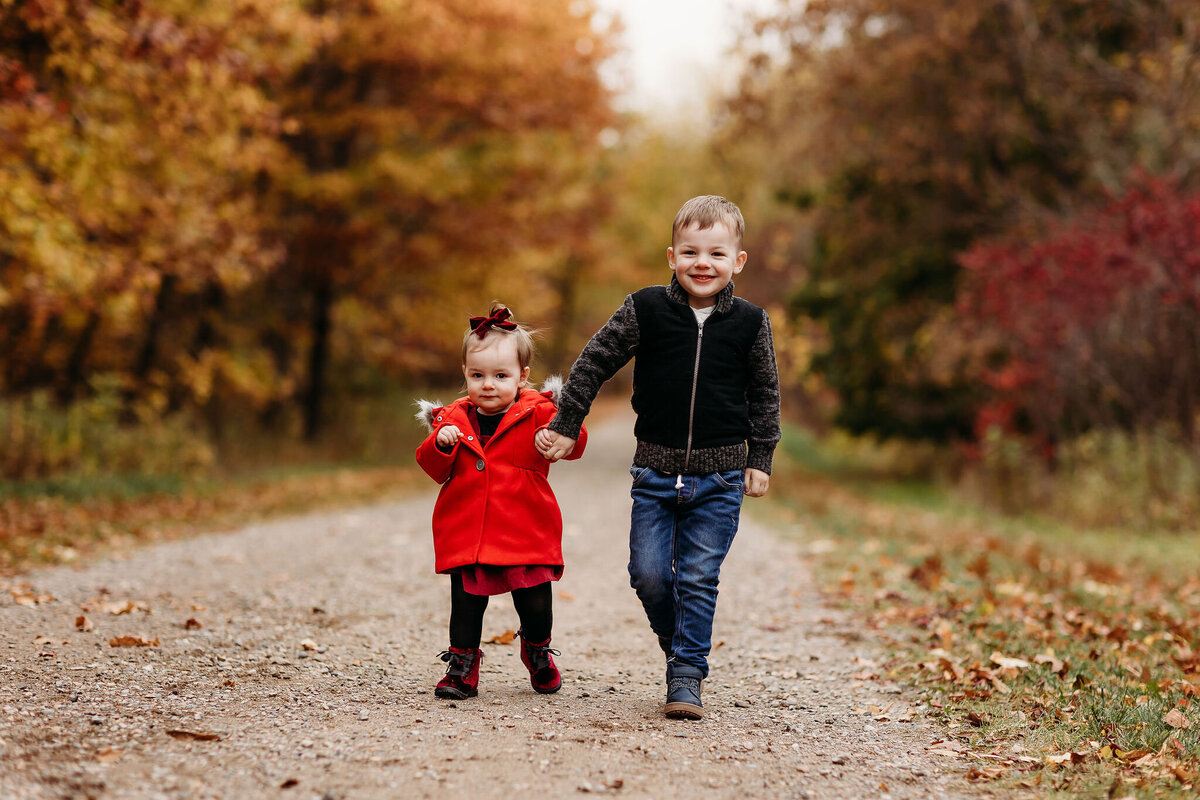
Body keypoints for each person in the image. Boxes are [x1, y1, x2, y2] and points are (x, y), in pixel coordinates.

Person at [536, 195, 781, 720]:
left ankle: (687, 675)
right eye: (690, 251)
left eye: (716, 253)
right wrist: (566, 421)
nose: (702, 263)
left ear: (737, 261)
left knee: (697, 576)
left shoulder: (750, 323)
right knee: (648, 575)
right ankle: (682, 644)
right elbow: (594, 360)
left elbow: (765, 395)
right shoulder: (645, 309)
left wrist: (760, 457)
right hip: (654, 472)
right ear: (672, 256)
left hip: (719, 477)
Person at [415, 305, 587, 700]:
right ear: (465, 374)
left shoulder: (540, 412)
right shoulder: (453, 419)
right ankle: (461, 665)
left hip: (526, 526)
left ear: (522, 376)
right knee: (466, 604)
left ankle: (537, 650)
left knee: (535, 601)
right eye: (477, 376)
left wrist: (560, 439)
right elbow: (432, 467)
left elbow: (574, 444)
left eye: (500, 376)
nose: (488, 385)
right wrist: (440, 445)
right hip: (471, 531)